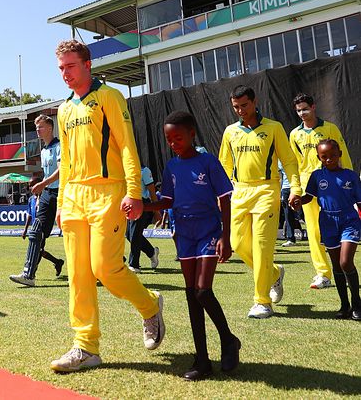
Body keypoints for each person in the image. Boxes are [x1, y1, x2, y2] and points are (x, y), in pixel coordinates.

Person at [50, 39, 164, 373]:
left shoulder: (109, 97)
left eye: (70, 66)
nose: (65, 74)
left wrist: (134, 191)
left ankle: (149, 305)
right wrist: (60, 201)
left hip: (109, 193)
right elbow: (67, 159)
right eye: (60, 68)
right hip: (73, 197)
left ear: (87, 65)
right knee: (79, 276)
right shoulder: (64, 108)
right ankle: (85, 346)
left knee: (106, 269)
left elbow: (127, 146)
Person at [144, 111, 240, 380]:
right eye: (168, 138)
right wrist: (144, 205)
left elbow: (225, 200)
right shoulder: (172, 167)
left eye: (178, 137)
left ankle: (228, 340)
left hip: (208, 229)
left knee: (202, 291)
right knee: (190, 294)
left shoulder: (208, 161)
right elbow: (167, 201)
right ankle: (202, 360)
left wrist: (226, 236)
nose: (173, 142)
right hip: (184, 233)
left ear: (191, 134)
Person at [218, 85, 300, 319]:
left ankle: (262, 301)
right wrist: (221, 194)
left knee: (262, 246)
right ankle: (274, 274)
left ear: (254, 102)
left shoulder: (274, 127)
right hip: (239, 191)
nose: (240, 110)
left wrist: (295, 188)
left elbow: (289, 160)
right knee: (239, 244)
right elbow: (224, 165)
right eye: (236, 107)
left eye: (244, 105)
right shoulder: (230, 131)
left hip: (267, 189)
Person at [290, 93, 353, 289]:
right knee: (314, 231)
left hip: (333, 186)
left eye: (305, 109)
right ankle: (323, 274)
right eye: (299, 110)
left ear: (314, 106)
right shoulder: (294, 134)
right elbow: (294, 163)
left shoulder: (330, 128)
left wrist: (349, 183)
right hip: (308, 187)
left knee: (337, 225)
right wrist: (296, 189)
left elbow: (344, 155)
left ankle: (344, 266)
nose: (302, 113)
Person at [300, 139, 361, 320]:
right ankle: (344, 305)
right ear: (319, 157)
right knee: (336, 265)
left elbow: (359, 201)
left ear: (339, 154)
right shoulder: (317, 176)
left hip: (349, 220)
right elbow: (308, 197)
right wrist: (297, 201)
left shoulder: (350, 176)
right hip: (327, 221)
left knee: (345, 262)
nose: (329, 159)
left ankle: (357, 303)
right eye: (324, 156)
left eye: (332, 155)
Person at [9, 114, 65, 286]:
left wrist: (43, 183)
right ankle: (28, 275)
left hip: (64, 192)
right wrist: (42, 191)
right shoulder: (43, 150)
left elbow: (62, 171)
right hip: (47, 194)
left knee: (77, 233)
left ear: (49, 127)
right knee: (36, 232)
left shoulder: (60, 146)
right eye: (36, 128)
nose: (37, 131)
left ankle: (102, 267)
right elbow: (48, 175)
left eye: (40, 127)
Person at [125, 165, 160, 273]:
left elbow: (152, 191)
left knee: (135, 235)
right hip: (128, 204)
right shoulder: (124, 168)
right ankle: (151, 252)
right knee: (129, 235)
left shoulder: (144, 170)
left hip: (141, 204)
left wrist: (156, 210)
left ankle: (134, 264)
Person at [278, 160, 303, 247]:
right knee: (288, 214)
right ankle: (290, 238)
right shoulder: (279, 160)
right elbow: (280, 176)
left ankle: (319, 237)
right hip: (285, 188)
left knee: (304, 214)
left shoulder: (297, 156)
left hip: (299, 188)